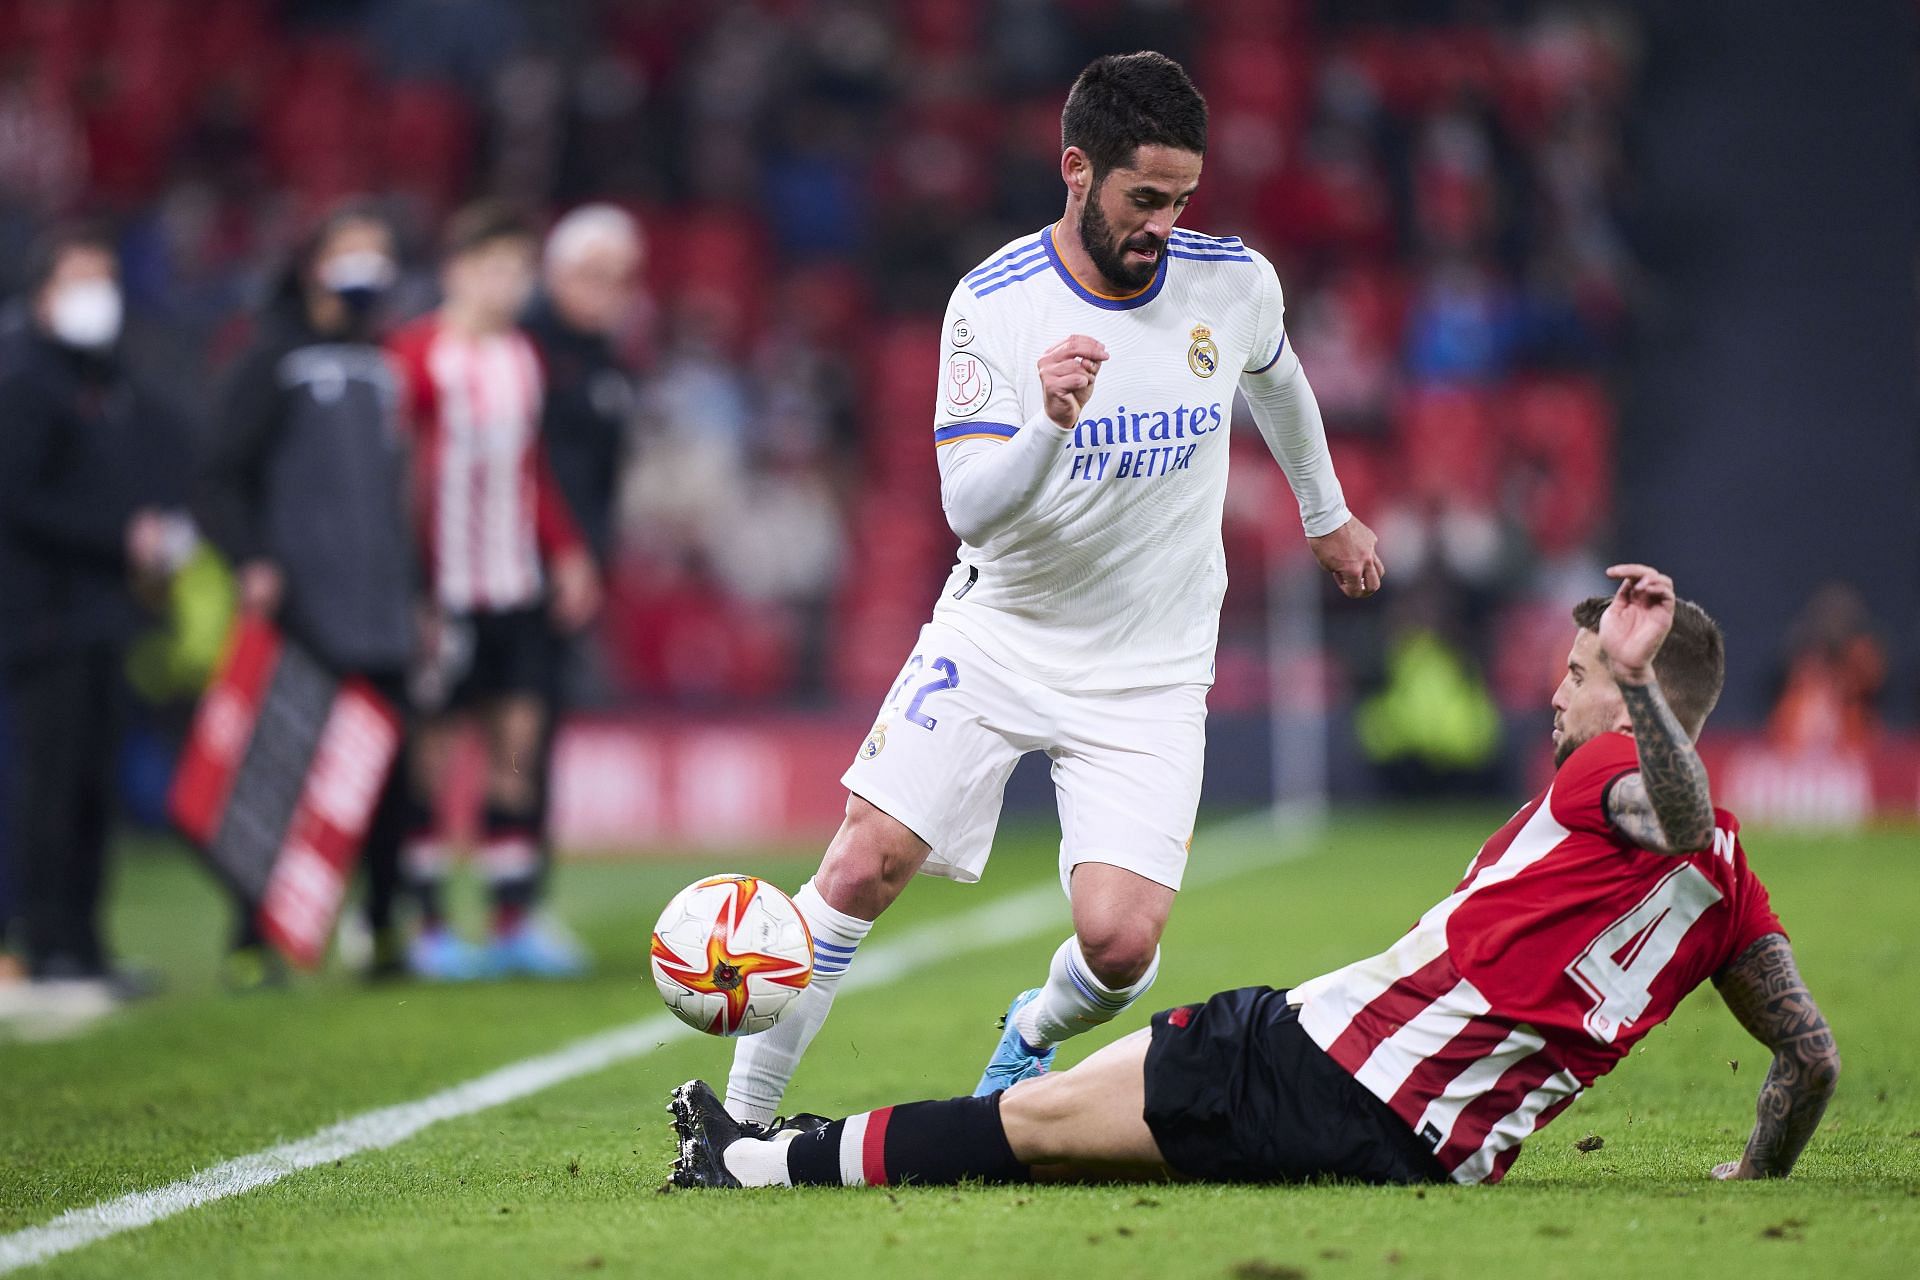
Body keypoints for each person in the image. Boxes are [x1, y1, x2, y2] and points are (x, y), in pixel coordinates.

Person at [672, 566, 1840, 1190]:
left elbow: (1671, 806)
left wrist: (1628, 695)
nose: (1559, 693)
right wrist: (1754, 1170)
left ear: (1647, 696)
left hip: (1323, 1065)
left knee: (1025, 1126)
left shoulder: (1612, 771)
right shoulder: (1735, 887)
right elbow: (1810, 1055)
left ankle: (757, 1158)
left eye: (1584, 672)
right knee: (1065, 1136)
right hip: (1438, 1153)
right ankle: (819, 1136)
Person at [722, 50, 1385, 1128]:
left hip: (1151, 670)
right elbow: (970, 506)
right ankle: (740, 1121)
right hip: (1004, 633)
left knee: (1122, 946)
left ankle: (1028, 1030)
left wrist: (1326, 512)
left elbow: (1280, 379)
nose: (1164, 222)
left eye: (1181, 198)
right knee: (861, 861)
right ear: (1077, 171)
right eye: (1143, 198)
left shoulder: (1235, 280)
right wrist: (1048, 420)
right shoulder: (994, 304)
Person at [196, 202, 416, 985]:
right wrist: (252, 558)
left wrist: (415, 587)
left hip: (382, 600)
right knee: (280, 770)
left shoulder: (388, 363)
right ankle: (249, 937)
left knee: (390, 774)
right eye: (350, 250)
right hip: (302, 598)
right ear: (312, 262)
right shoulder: (271, 357)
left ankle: (385, 926)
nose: (367, 267)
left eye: (378, 251)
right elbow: (218, 476)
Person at [386, 201, 601, 980]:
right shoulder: (413, 358)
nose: (507, 285)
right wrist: (403, 584)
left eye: (518, 270)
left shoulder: (522, 359)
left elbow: (529, 470)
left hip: (515, 587)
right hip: (442, 591)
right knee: (433, 759)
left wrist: (567, 553)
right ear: (457, 272)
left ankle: (513, 922)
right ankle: (431, 925)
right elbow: (393, 477)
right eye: (494, 268)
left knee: (517, 749)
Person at [0, 225, 195, 1004]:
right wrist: (121, 535)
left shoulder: (111, 384)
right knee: (47, 787)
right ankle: (44, 943)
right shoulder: (25, 383)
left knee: (92, 786)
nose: (97, 294)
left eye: (105, 276)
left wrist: (159, 529)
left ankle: (84, 943)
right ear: (43, 292)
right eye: (81, 278)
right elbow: (16, 499)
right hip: (43, 617)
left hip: (105, 614)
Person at [518, 204, 642, 950]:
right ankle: (411, 912)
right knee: (450, 741)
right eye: (591, 276)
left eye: (618, 280)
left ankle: (519, 905)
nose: (605, 293)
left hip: (565, 580)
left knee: (535, 736)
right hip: (499, 572)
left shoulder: (606, 363)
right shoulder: (523, 351)